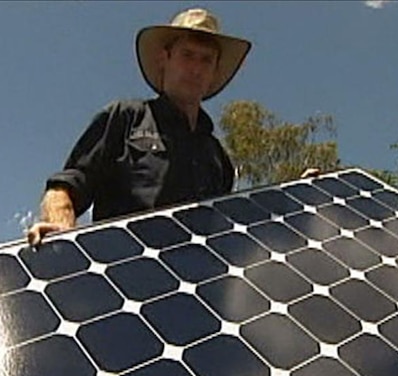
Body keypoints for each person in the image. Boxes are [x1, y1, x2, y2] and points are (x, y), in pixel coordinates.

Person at [27, 8, 251, 246]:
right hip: (121, 274)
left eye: (206, 60)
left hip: (202, 276)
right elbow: (68, 185)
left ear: (215, 71)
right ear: (165, 59)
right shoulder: (125, 118)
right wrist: (60, 226)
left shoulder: (217, 157)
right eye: (187, 55)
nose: (196, 69)